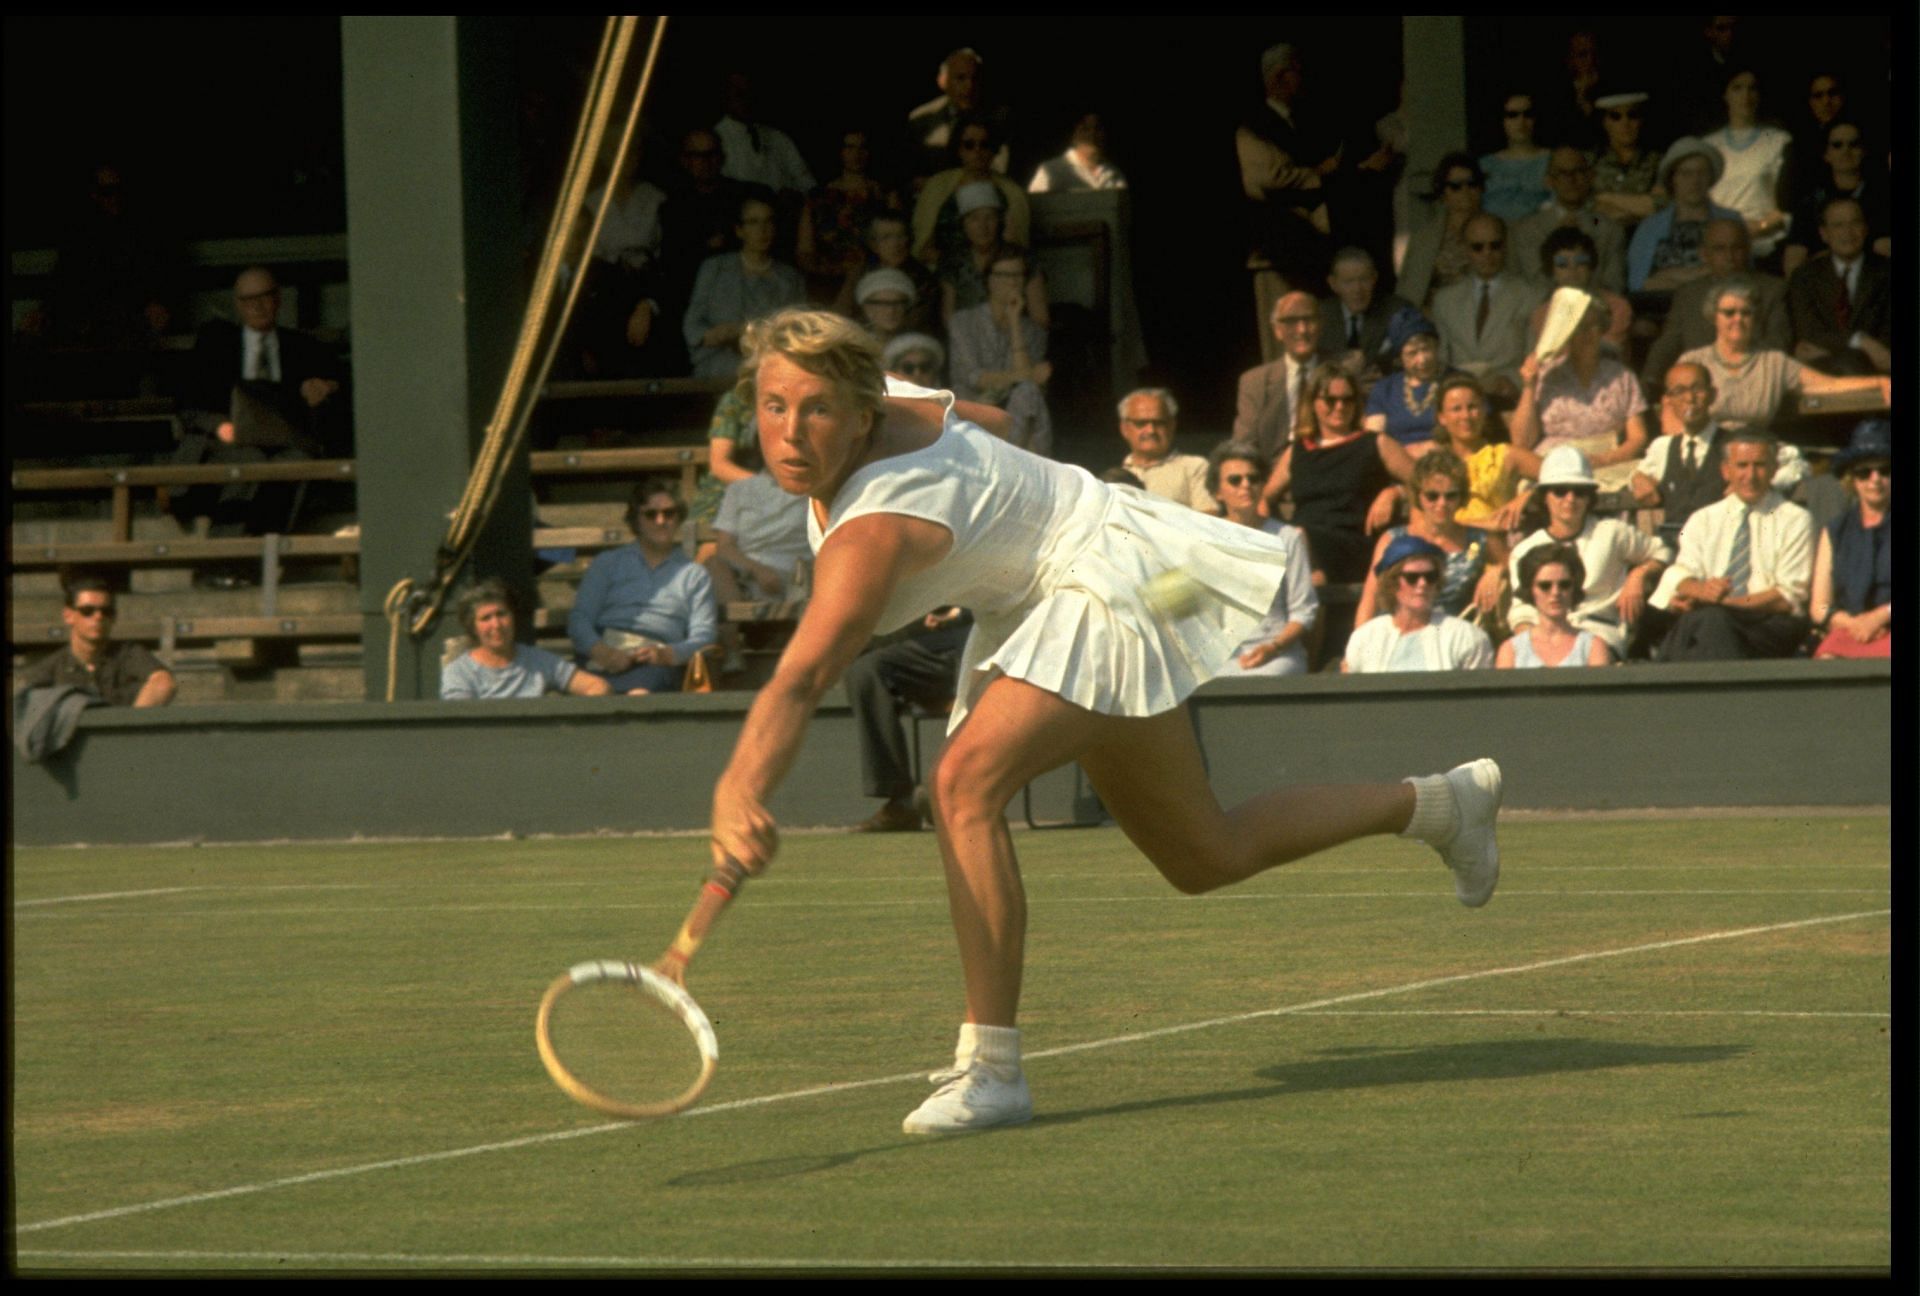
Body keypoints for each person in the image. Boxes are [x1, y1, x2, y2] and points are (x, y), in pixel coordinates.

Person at [705, 307, 1505, 1135]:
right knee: (1205, 855)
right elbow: (985, 418)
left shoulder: (870, 530)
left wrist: (739, 789)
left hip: (1104, 577)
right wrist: (1004, 509)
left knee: (961, 787)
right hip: (1081, 576)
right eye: (774, 407)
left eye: (817, 410)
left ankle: (993, 1070)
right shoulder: (896, 404)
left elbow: (800, 680)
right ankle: (1443, 805)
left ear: (861, 414)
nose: (791, 433)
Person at [170, 266, 347, 562]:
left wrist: (325, 386)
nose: (258, 306)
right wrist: (220, 426)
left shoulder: (301, 347)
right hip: (225, 443)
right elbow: (187, 402)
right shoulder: (216, 343)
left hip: (282, 442)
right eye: (249, 299)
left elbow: (341, 381)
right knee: (248, 459)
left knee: (298, 462)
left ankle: (266, 559)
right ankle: (221, 560)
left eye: (265, 297)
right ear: (238, 305)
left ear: (278, 300)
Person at [1648, 429, 1814, 661]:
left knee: (1704, 624)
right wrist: (1700, 590)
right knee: (1703, 624)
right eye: (1742, 465)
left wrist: (1725, 602)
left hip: (1770, 625)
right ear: (1726, 470)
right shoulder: (1703, 519)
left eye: (1760, 465)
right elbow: (1683, 572)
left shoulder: (1795, 519)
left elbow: (1786, 598)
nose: (1751, 475)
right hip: (1713, 622)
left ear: (1774, 469)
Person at [1508, 446, 1670, 660]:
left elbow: (1664, 551)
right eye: (1560, 490)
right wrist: (1536, 648)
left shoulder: (1611, 533)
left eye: (1579, 491)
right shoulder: (1525, 550)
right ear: (1544, 496)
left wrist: (1639, 573)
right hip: (1546, 636)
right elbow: (1522, 612)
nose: (1570, 499)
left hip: (1600, 633)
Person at [1262, 365, 1415, 583]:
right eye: (1330, 400)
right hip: (1304, 543)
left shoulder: (1375, 443)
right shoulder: (1298, 450)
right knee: (1297, 549)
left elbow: (1428, 482)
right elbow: (1265, 496)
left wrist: (1396, 492)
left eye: (1348, 399)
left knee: (1297, 544)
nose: (1340, 406)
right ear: (1313, 402)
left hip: (1354, 543)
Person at [1677, 276, 1888, 434]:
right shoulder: (1692, 362)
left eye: (1746, 312)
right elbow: (1673, 415)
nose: (1738, 319)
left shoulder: (1774, 362)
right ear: (1714, 316)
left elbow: (1829, 385)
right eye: (1729, 312)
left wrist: (1878, 381)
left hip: (1754, 456)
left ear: (1756, 318)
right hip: (1705, 453)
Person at [1629, 361, 1805, 547]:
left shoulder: (1735, 444)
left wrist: (1754, 482)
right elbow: (1640, 474)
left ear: (1712, 395)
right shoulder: (1662, 447)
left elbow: (1796, 464)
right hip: (1676, 547)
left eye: (1697, 389)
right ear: (1669, 400)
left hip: (1723, 544)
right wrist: (1636, 479)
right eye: (1679, 391)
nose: (1689, 398)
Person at [1236, 42, 1338, 348]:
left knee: (1311, 335)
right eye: (1295, 71)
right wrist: (1318, 173)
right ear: (1279, 76)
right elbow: (1268, 176)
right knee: (1282, 338)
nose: (1300, 79)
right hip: (1275, 250)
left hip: (1309, 249)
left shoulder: (1301, 121)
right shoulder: (1253, 125)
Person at [569, 485, 718, 693]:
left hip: (658, 660)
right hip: (603, 650)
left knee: (640, 694)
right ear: (636, 520)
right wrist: (602, 652)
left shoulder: (694, 574)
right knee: (595, 691)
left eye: (669, 513)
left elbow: (704, 636)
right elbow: (580, 619)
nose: (661, 521)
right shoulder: (608, 563)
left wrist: (668, 654)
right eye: (651, 514)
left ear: (679, 518)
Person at [843, 607, 973, 833]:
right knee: (865, 671)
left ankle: (958, 796)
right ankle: (902, 801)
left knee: (971, 657)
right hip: (930, 644)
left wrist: (957, 614)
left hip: (977, 633)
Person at [1510, 291, 1651, 492]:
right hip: (1552, 465)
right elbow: (1521, 441)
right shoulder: (1547, 375)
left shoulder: (1622, 376)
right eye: (1580, 328)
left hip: (1606, 463)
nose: (1588, 334)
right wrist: (1529, 385)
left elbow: (1638, 437)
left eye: (1594, 326)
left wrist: (1605, 459)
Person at [1353, 449, 1502, 626]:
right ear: (1418, 496)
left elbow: (1515, 561)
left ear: (1461, 496)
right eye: (1432, 496)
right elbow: (1370, 599)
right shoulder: (1394, 539)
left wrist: (1498, 570)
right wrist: (1358, 645)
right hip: (1397, 632)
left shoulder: (1477, 540)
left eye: (1450, 496)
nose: (1442, 503)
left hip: (1450, 637)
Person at [1206, 440, 1317, 676]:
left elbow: (1303, 611)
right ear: (1218, 491)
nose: (1246, 485)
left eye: (1253, 478)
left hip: (1277, 653)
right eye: (1235, 480)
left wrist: (1273, 647)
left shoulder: (1288, 537)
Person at [1639, 218, 1790, 391]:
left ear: (1748, 251)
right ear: (1704, 254)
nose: (1729, 257)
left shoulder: (1772, 290)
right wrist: (1650, 380)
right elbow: (1667, 344)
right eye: (1720, 249)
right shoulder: (1688, 294)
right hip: (1695, 387)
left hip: (1750, 382)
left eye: (1737, 248)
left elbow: (1778, 344)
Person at [681, 196, 808, 380]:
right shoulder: (714, 268)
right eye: (753, 222)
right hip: (719, 366)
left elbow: (797, 333)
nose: (762, 230)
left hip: (769, 369)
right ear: (739, 230)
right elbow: (693, 324)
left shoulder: (790, 278)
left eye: (768, 221)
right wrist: (716, 335)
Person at [701, 466, 812, 671]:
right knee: (713, 565)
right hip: (748, 573)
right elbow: (724, 546)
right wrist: (757, 571)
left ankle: (805, 663)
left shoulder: (813, 487)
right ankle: (732, 652)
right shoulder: (740, 489)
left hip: (800, 573)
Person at [947, 248, 1053, 455]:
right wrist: (1028, 374)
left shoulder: (1032, 331)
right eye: (1004, 275)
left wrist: (1014, 322)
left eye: (1018, 275)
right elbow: (975, 378)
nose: (1012, 282)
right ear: (989, 280)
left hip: (1015, 412)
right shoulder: (964, 322)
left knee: (1028, 393)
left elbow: (1026, 385)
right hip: (973, 409)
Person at [1429, 214, 1544, 403]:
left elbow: (1536, 357)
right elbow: (1440, 360)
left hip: (1511, 398)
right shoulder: (1444, 300)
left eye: (1495, 246)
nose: (1487, 253)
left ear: (1505, 246)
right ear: (1465, 249)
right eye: (1477, 247)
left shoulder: (1531, 296)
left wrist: (1515, 383)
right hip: (1458, 399)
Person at [15, 574, 175, 708]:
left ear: (114, 617)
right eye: (87, 611)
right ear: (68, 615)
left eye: (106, 611)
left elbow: (163, 683)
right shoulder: (50, 669)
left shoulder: (128, 655)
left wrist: (131, 726)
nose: (98, 617)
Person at [1342, 535, 1494, 673]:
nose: (1422, 584)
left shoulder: (1465, 637)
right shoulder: (1366, 637)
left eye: (1430, 576)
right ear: (1392, 583)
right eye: (1412, 577)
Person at [442, 579, 611, 699]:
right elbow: (462, 725)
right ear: (473, 628)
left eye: (501, 614)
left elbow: (598, 686)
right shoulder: (459, 672)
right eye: (486, 618)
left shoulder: (537, 660)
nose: (496, 624)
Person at [1807, 420, 1891, 660]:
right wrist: (1854, 624)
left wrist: (1879, 617)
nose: (1875, 479)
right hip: (1850, 631)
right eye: (1864, 472)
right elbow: (1819, 606)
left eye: (1885, 470)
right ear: (1852, 479)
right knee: (1826, 662)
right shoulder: (1835, 530)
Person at [1785, 198, 1891, 377]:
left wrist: (1832, 350)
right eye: (1838, 225)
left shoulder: (1887, 272)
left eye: (1855, 223)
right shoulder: (1804, 277)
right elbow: (1808, 333)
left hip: (1879, 375)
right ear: (1824, 233)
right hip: (1821, 375)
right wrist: (1858, 341)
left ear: (1865, 229)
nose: (1848, 233)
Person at [1700, 68, 1793, 264]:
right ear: (1725, 94)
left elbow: (1788, 204)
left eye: (1752, 88)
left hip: (1765, 245)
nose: (1746, 95)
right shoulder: (1708, 146)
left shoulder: (1778, 141)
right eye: (1737, 88)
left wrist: (1760, 226)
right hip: (1718, 247)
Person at [1626, 138, 1742, 294]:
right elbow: (1638, 284)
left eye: (1701, 173)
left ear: (1711, 177)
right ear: (1672, 179)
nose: (1695, 181)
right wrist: (1705, 273)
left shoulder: (1731, 221)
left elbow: (1739, 276)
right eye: (1686, 174)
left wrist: (1668, 276)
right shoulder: (1650, 227)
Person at [1432, 373, 1544, 533]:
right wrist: (1485, 525)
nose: (1466, 416)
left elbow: (1560, 474)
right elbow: (1422, 520)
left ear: (1484, 410)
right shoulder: (1434, 465)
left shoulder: (1505, 455)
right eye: (1456, 409)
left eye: (1472, 407)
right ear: (1442, 417)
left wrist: (1528, 495)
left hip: (1501, 543)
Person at [796, 128, 901, 297]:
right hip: (827, 281)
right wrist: (828, 270)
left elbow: (896, 244)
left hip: (872, 279)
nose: (856, 154)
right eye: (850, 147)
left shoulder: (884, 195)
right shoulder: (818, 197)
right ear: (840, 152)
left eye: (862, 148)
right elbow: (804, 251)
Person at [912, 120, 1029, 269]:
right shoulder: (937, 186)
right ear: (959, 149)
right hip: (941, 270)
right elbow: (922, 245)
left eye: (984, 144)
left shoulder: (1012, 194)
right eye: (969, 145)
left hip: (996, 272)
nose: (977, 151)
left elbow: (1018, 248)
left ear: (993, 149)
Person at [1781, 119, 1891, 278]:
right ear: (1827, 154)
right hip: (1822, 285)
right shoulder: (1810, 202)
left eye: (1853, 144)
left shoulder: (1883, 197)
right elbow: (1794, 259)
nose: (1846, 151)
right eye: (1837, 145)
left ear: (1863, 151)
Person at [1511, 147, 1628, 294]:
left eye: (1578, 172)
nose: (1571, 180)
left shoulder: (1610, 230)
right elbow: (1535, 286)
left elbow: (1614, 285)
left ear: (1590, 176)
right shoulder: (1528, 230)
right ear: (1549, 181)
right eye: (1562, 174)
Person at [934, 181, 1047, 328]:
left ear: (999, 222)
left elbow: (1041, 319)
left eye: (990, 217)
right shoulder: (951, 261)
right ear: (963, 224)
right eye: (974, 219)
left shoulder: (1023, 258)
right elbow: (948, 319)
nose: (983, 226)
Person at [1232, 290, 1324, 460]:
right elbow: (1245, 445)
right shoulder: (1254, 382)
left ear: (1320, 324)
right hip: (1274, 471)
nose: (1302, 329)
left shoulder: (1348, 367)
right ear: (1277, 330)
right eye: (1291, 321)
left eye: (1309, 320)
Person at [1496, 545, 1612, 667]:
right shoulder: (1511, 651)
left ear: (1574, 588)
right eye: (1545, 586)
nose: (1555, 592)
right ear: (1530, 590)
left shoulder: (1593, 647)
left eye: (1564, 585)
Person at [1396, 151, 1485, 309]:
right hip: (1433, 321)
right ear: (1443, 192)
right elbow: (1410, 291)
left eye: (1472, 184)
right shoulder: (1424, 238)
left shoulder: (1499, 232)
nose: (1465, 191)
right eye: (1455, 186)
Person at [906, 48, 1011, 181]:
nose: (969, 86)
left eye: (974, 78)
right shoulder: (922, 118)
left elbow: (1001, 169)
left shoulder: (999, 118)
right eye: (961, 78)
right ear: (944, 82)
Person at [1525, 228, 1632, 356]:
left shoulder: (1617, 307)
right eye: (1562, 264)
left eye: (1580, 262)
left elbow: (1607, 353)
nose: (1573, 269)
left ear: (1591, 265)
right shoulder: (1541, 314)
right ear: (1551, 270)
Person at [712, 71, 816, 199]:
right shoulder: (716, 139)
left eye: (749, 94)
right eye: (739, 94)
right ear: (726, 96)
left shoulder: (778, 137)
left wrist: (798, 193)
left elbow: (806, 181)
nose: (745, 101)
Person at [1113, 389, 1215, 513]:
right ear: (1124, 428)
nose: (1151, 430)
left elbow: (1209, 518)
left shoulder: (1194, 467)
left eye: (1159, 423)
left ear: (1172, 426)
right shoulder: (1115, 476)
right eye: (1141, 423)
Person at [832, 213, 938, 332]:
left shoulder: (923, 278)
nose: (895, 244)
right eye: (886, 237)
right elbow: (840, 314)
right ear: (874, 245)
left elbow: (915, 323)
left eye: (901, 236)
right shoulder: (860, 272)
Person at [1362, 308, 1446, 454]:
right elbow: (1374, 439)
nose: (1422, 359)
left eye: (1426, 349)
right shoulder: (1384, 389)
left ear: (1436, 347)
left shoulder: (1457, 382)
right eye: (1412, 353)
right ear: (1400, 358)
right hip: (1397, 462)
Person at [1318, 247, 1409, 381]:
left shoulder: (1398, 311)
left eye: (1364, 279)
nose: (1357, 289)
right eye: (1349, 282)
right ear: (1333, 284)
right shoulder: (1320, 316)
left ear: (1374, 278)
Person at [1589, 91, 1664, 233]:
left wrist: (1606, 198)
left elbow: (1660, 205)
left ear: (1641, 120)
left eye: (1632, 115)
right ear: (1605, 122)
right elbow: (1585, 208)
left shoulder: (1659, 161)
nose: (1625, 123)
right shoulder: (1590, 161)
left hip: (1648, 237)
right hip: (1602, 240)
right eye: (1616, 116)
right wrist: (1640, 206)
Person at [1478, 91, 1552, 225]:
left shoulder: (1553, 161)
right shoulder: (1484, 165)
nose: (1521, 121)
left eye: (1528, 115)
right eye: (1512, 115)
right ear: (1502, 120)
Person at [1027, 112, 1127, 193]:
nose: (1092, 135)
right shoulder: (1052, 171)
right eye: (1085, 129)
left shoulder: (1115, 175)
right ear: (1073, 136)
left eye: (1098, 129)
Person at [852, 268, 919, 348]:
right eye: (882, 304)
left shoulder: (919, 347)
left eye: (898, 303)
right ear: (867, 308)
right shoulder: (855, 347)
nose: (891, 311)